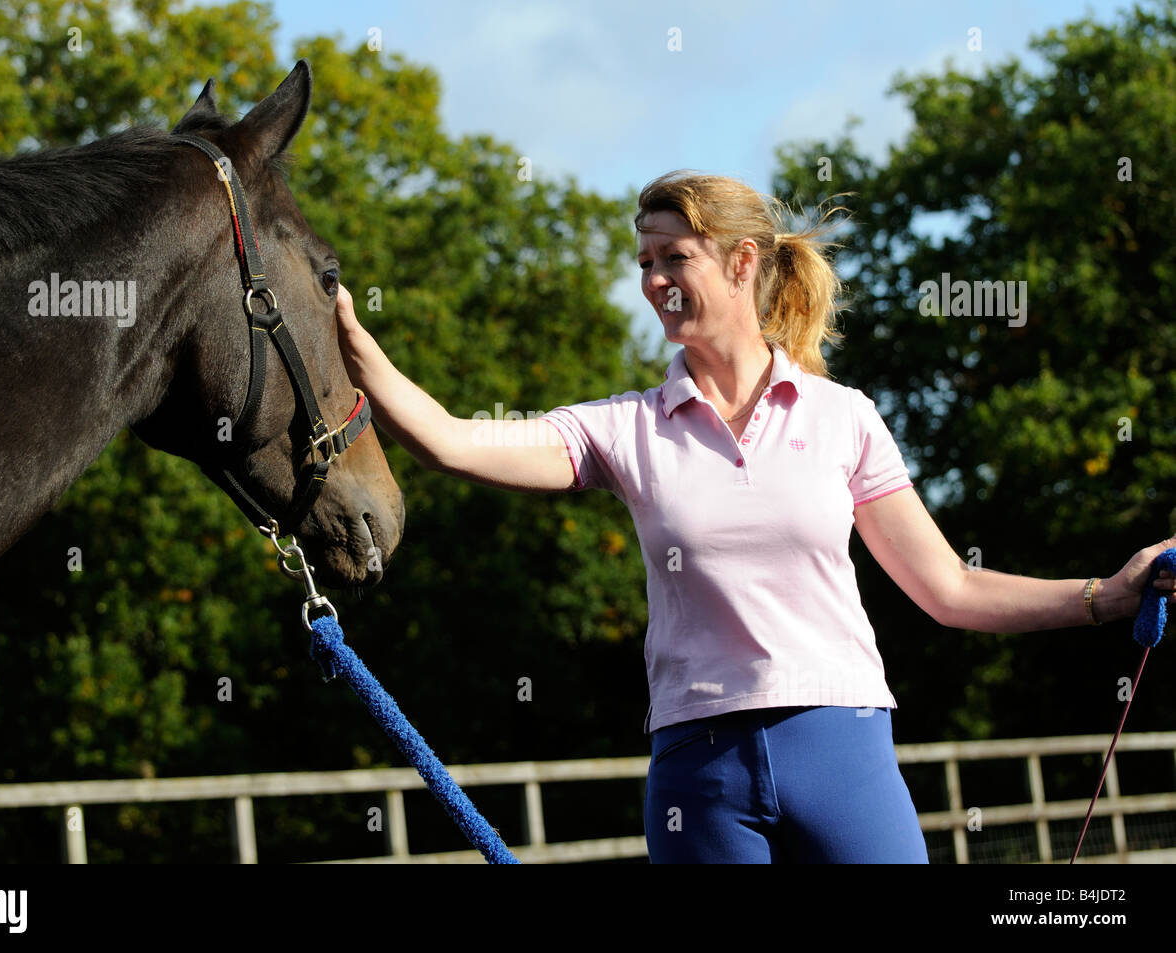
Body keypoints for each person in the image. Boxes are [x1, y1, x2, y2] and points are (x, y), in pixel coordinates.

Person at [333, 169, 1176, 863]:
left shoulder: (843, 416)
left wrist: (1110, 593)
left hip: (841, 748)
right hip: (698, 775)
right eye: (644, 261)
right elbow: (448, 440)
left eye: (673, 257)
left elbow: (949, 586)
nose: (653, 279)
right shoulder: (622, 428)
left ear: (742, 262)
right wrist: (355, 348)